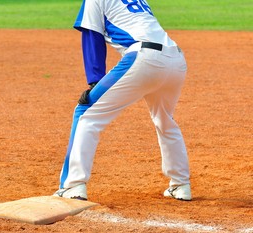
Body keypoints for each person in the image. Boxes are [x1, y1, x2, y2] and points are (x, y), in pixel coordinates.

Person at [53, 0, 191, 201]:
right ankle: (181, 185)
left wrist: (94, 82)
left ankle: (72, 185)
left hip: (144, 57)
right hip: (176, 59)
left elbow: (93, 37)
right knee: (165, 121)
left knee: (86, 111)